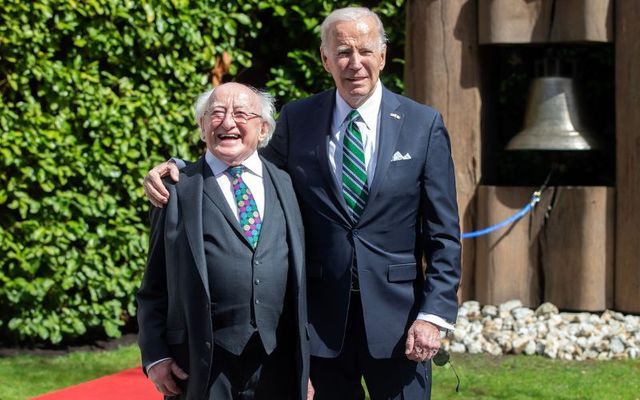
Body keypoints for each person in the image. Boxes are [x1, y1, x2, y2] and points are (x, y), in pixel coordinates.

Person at [144, 7, 461, 400]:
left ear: (382, 56)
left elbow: (444, 235)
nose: (355, 63)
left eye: (365, 51)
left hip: (400, 325)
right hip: (320, 328)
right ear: (326, 59)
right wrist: (180, 171)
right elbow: (241, 162)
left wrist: (434, 316)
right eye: (343, 52)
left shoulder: (422, 124)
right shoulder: (298, 118)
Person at [137, 82, 309, 400]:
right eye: (216, 113)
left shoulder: (286, 183)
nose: (228, 122)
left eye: (241, 113)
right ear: (203, 127)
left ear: (263, 128)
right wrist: (156, 355)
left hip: (277, 362)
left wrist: (306, 364)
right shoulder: (175, 190)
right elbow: (154, 285)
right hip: (202, 365)